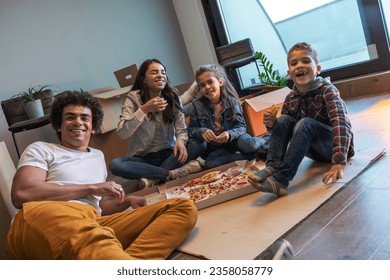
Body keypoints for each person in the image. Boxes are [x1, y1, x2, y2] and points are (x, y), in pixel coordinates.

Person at [6, 90, 198, 260]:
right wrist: (93, 187)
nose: (78, 122)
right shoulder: (41, 149)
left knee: (182, 208)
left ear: (93, 126)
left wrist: (128, 201)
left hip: (90, 221)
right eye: (70, 117)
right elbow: (22, 193)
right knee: (92, 237)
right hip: (47, 215)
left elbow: (96, 205)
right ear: (58, 125)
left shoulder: (97, 156)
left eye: (84, 118)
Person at [248, 42, 355, 195]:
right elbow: (284, 131)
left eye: (306, 61)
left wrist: (339, 162)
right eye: (294, 63)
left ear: (317, 69)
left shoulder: (327, 91)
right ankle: (272, 167)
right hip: (313, 151)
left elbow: (341, 122)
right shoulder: (290, 97)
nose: (299, 65)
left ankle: (281, 180)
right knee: (283, 119)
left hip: (333, 148)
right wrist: (272, 125)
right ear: (289, 73)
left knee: (305, 123)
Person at [109, 59, 204, 188]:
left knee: (200, 144)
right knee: (116, 165)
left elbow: (181, 130)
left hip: (170, 153)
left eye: (163, 72)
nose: (160, 75)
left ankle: (153, 178)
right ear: (143, 78)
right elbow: (122, 133)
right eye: (154, 72)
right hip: (144, 159)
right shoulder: (133, 98)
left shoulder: (173, 96)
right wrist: (144, 110)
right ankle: (172, 173)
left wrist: (180, 141)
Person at [187, 64, 270, 170]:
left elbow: (241, 126)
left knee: (250, 145)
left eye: (210, 82)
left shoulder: (232, 101)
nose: (207, 87)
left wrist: (229, 134)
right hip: (215, 146)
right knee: (209, 164)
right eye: (202, 85)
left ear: (220, 82)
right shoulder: (196, 105)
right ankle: (257, 154)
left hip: (235, 138)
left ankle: (266, 139)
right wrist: (202, 131)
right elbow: (191, 130)